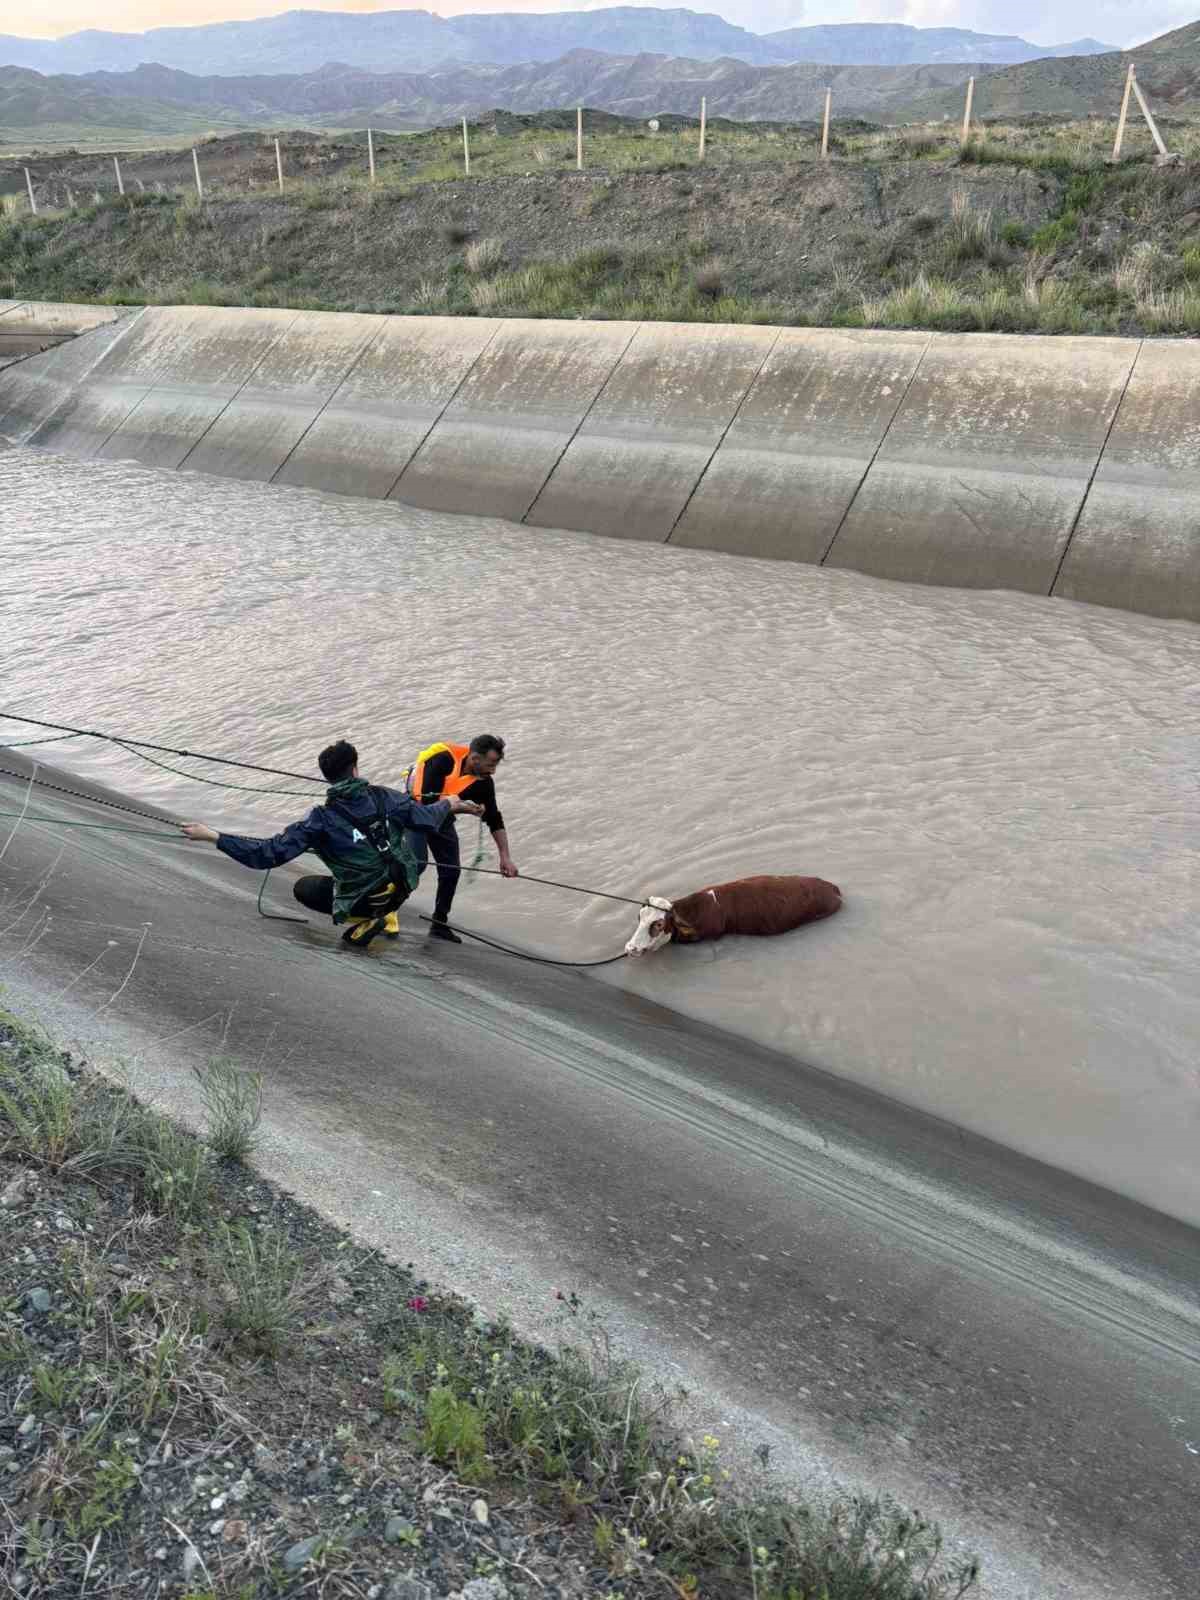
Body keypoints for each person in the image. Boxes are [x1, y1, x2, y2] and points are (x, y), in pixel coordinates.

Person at [181, 739, 482, 953]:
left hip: (366, 899)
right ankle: (382, 912)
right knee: (384, 860)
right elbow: (426, 817)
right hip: (402, 887)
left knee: (303, 887)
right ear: (355, 769)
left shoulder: (319, 820)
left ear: (328, 776)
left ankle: (366, 917)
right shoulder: (384, 796)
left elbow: (267, 854)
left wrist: (214, 837)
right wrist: (451, 804)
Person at [402, 734, 519, 944]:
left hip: (443, 819)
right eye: (491, 763)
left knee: (451, 871)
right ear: (474, 758)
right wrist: (466, 810)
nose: (493, 770)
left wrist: (505, 857)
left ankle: (439, 924)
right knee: (416, 865)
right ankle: (383, 908)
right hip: (415, 813)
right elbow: (428, 802)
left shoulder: (483, 783)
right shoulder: (442, 760)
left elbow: (494, 818)